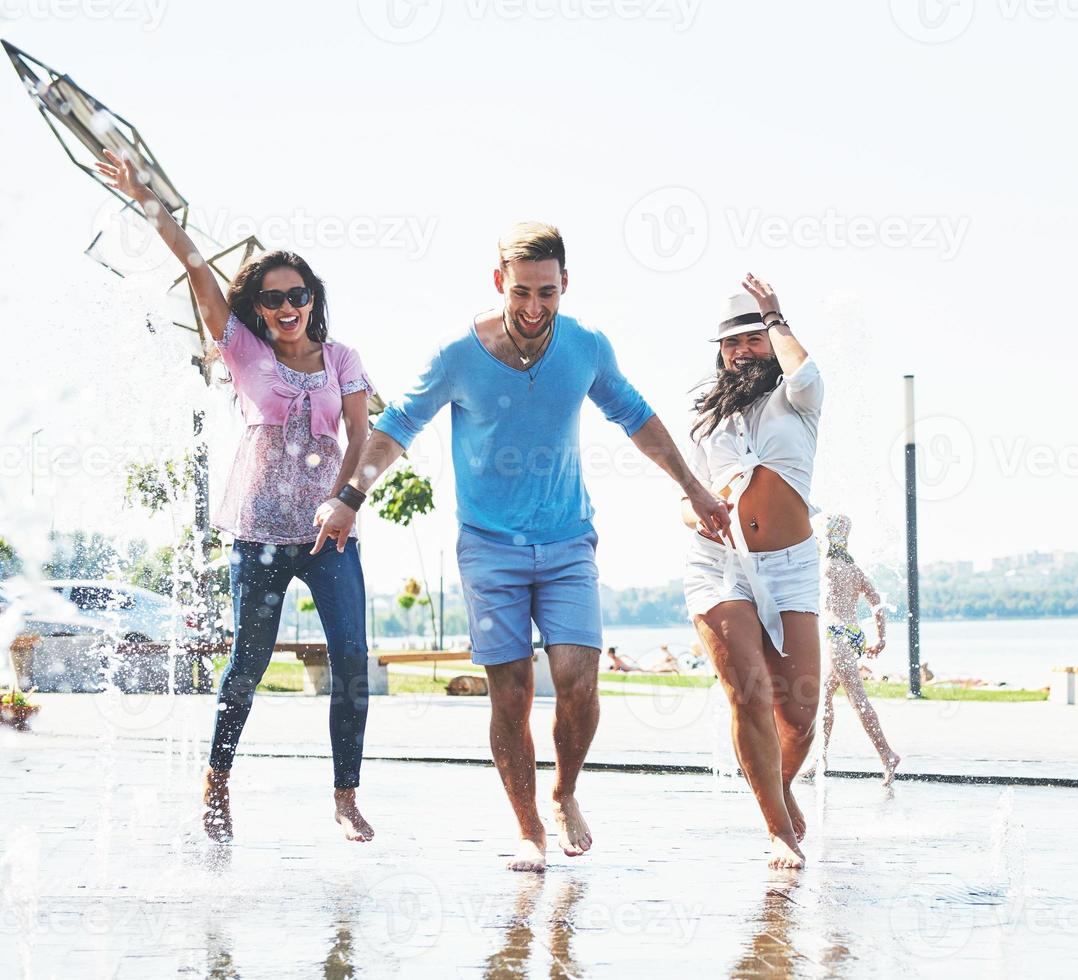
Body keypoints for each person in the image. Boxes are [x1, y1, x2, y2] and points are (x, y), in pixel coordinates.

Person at [313, 222, 726, 872]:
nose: (534, 308)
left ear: (565, 286)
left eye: (548, 293)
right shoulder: (457, 354)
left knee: (577, 681)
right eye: (522, 292)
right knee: (507, 693)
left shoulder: (585, 347)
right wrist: (350, 496)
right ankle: (529, 830)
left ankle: (564, 792)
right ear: (499, 282)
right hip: (488, 550)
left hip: (567, 541)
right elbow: (396, 429)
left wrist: (695, 488)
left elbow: (637, 418)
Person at [95, 150, 376, 844]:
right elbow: (195, 266)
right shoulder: (244, 354)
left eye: (297, 295)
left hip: (329, 533)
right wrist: (146, 199)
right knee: (246, 666)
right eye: (272, 299)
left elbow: (366, 442)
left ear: (313, 298)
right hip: (257, 532)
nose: (286, 307)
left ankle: (345, 795)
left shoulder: (342, 360)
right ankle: (217, 782)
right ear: (256, 308)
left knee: (351, 657)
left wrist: (346, 501)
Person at [682, 274, 822, 870]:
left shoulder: (799, 401)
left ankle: (780, 787)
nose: (741, 350)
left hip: (790, 566)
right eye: (730, 342)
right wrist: (697, 516)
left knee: (800, 712)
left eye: (752, 338)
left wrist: (773, 316)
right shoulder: (706, 420)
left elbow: (807, 372)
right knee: (749, 694)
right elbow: (688, 494)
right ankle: (777, 831)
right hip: (719, 565)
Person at [809, 514, 900, 786]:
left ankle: (887, 755)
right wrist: (880, 637)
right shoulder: (855, 569)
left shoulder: (824, 566)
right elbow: (877, 601)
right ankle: (819, 760)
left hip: (835, 637)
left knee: (857, 699)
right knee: (823, 701)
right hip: (852, 635)